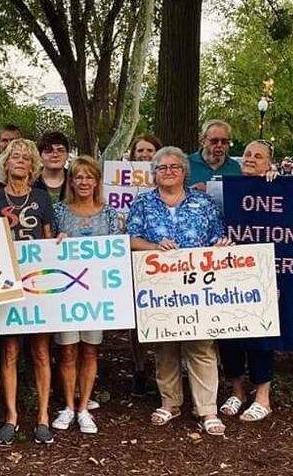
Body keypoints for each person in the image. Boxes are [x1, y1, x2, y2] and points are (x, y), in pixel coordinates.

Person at [127, 146, 231, 436]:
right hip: (159, 286)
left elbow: (217, 236)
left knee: (201, 345)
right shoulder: (143, 203)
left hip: (198, 286)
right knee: (165, 345)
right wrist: (153, 246)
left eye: (174, 167)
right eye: (162, 168)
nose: (169, 171)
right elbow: (131, 238)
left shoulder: (204, 202)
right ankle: (170, 402)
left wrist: (221, 245)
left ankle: (207, 409)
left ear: (184, 171)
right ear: (154, 173)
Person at [0, 138, 56, 445]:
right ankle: (11, 416)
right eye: (15, 157)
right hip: (6, 284)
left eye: (26, 158)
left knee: (40, 351)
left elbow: (49, 238)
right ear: (6, 162)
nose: (20, 162)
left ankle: (43, 416)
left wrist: (58, 244)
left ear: (33, 165)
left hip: (38, 284)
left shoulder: (41, 197)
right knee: (10, 351)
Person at [50, 156, 123, 435]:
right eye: (78, 176)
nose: (83, 182)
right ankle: (69, 405)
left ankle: (84, 408)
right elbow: (46, 249)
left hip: (97, 294)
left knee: (91, 349)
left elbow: (117, 252)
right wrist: (55, 243)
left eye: (89, 177)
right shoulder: (59, 212)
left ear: (97, 181)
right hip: (66, 294)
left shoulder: (109, 214)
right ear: (71, 181)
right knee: (68, 350)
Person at [217, 140, 285, 423]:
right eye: (247, 154)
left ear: (269, 164)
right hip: (229, 272)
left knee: (261, 336)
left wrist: (276, 181)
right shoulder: (224, 187)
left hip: (264, 274)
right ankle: (237, 391)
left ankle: (262, 398)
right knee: (229, 335)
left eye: (259, 156)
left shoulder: (275, 187)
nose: (251, 159)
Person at [127, 133, 161, 397]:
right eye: (140, 151)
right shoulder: (119, 179)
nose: (145, 155)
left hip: (164, 260)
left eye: (150, 150)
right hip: (133, 256)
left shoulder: (167, 178)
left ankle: (163, 370)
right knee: (137, 318)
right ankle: (139, 368)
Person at [188, 120, 242, 191]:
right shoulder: (186, 164)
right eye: (214, 141)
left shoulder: (235, 167)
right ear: (202, 141)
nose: (219, 145)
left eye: (224, 141)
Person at [33, 131, 70, 203]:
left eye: (60, 150)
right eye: (49, 151)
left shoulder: (76, 181)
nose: (55, 155)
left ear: (67, 155)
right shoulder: (30, 182)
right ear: (40, 156)